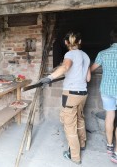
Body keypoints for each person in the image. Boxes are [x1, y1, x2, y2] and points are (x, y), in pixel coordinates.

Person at [40, 31, 91, 164]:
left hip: (71, 94)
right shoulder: (86, 56)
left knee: (69, 125)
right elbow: (88, 78)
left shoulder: (69, 54)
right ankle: (82, 143)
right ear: (79, 42)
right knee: (80, 118)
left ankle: (74, 156)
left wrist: (49, 77)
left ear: (66, 43)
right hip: (83, 93)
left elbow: (66, 66)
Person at [90, 28, 117, 164]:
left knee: (109, 116)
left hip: (107, 89)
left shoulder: (103, 53)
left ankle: (110, 145)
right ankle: (116, 153)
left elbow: (91, 69)